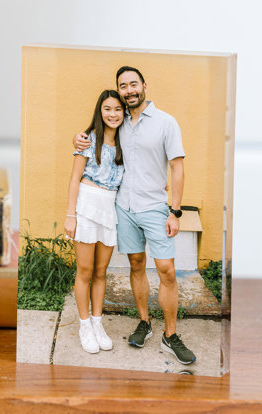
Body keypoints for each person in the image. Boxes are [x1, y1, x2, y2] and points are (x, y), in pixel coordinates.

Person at [74, 66, 196, 365]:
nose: (128, 90)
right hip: (123, 207)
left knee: (166, 269)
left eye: (133, 84)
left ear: (144, 85)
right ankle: (144, 322)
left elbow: (177, 167)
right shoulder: (119, 121)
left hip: (155, 206)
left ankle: (171, 335)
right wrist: (79, 140)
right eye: (123, 86)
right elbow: (94, 140)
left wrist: (175, 211)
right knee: (136, 264)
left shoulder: (166, 123)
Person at [64, 89, 125, 354]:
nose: (113, 114)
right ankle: (84, 324)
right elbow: (74, 178)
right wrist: (70, 215)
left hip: (109, 208)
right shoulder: (88, 140)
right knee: (85, 270)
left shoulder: (126, 144)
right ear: (100, 112)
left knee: (101, 271)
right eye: (107, 109)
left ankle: (98, 323)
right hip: (87, 206)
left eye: (117, 109)